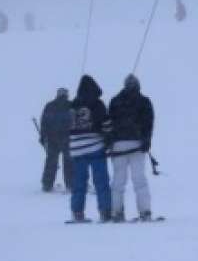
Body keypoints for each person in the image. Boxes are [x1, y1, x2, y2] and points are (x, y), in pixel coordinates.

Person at [107, 74, 155, 222]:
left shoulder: (115, 101)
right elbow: (148, 123)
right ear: (138, 86)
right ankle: (145, 211)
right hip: (137, 145)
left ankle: (116, 212)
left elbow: (109, 123)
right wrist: (147, 141)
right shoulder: (144, 101)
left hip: (118, 145)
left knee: (118, 181)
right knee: (139, 180)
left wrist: (109, 143)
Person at [69, 75, 112, 222]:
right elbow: (105, 125)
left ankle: (77, 212)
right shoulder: (97, 104)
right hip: (95, 147)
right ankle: (105, 211)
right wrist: (108, 140)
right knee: (101, 181)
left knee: (79, 182)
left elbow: (66, 127)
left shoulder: (72, 105)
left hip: (76, 149)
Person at [39, 88, 74, 193]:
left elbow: (44, 123)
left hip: (52, 139)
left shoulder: (49, 106)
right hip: (68, 138)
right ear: (67, 95)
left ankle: (47, 184)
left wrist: (43, 137)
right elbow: (75, 122)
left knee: (51, 161)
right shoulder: (71, 105)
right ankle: (71, 184)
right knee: (69, 162)